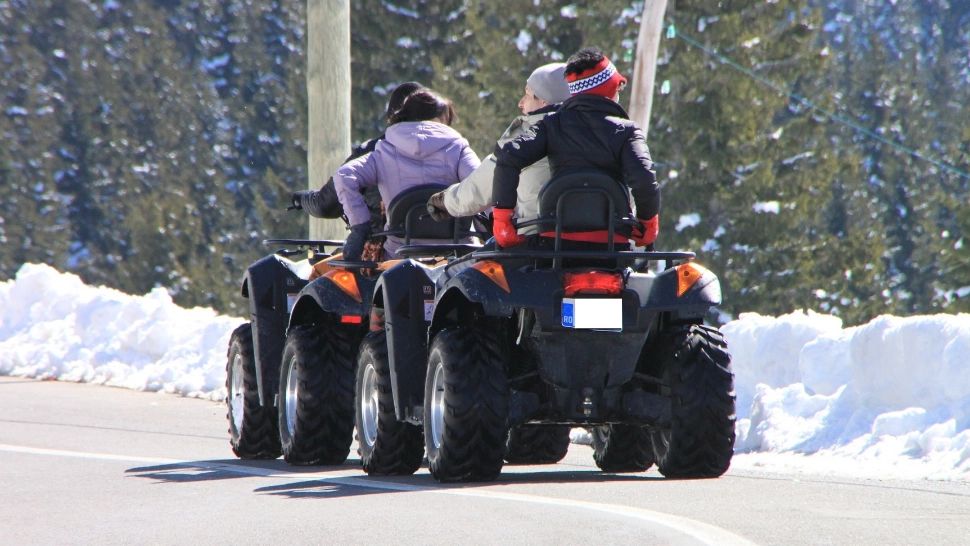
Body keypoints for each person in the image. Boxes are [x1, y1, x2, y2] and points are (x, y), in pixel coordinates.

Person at [489, 47, 660, 250]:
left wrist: (502, 220)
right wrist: (648, 223)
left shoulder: (552, 124)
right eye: (618, 88)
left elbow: (509, 156)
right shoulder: (627, 131)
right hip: (612, 244)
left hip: (555, 241)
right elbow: (644, 180)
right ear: (609, 90)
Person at [425, 63, 572, 235]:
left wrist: (443, 202)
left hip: (539, 239)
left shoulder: (525, 137)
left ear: (544, 100)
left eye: (527, 95)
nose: (521, 103)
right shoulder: (598, 131)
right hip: (602, 243)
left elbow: (477, 191)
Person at [334, 90, 481, 260]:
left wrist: (360, 226)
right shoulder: (459, 149)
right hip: (457, 254)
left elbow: (344, 176)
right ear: (439, 119)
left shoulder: (384, 150)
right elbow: (482, 184)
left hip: (399, 255)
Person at [289, 81, 424, 230]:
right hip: (445, 248)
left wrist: (302, 199)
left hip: (386, 246)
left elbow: (326, 204)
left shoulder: (374, 151)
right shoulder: (451, 148)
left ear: (392, 115)